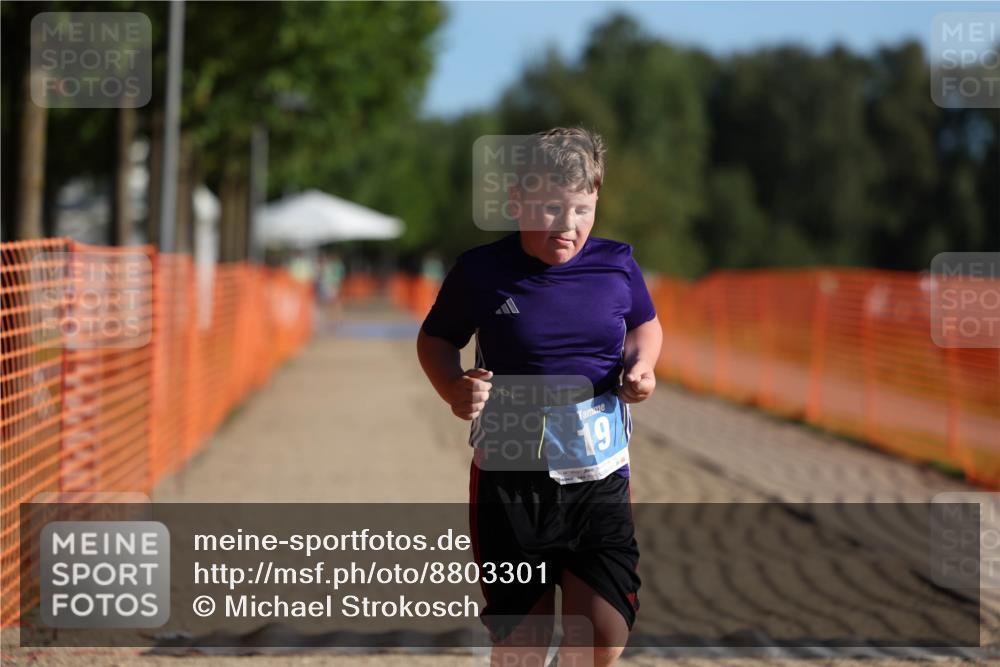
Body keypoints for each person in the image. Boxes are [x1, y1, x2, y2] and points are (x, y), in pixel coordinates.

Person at [416, 127, 662, 667]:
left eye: (583, 209)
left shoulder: (616, 264)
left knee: (601, 636)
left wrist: (641, 366)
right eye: (551, 208)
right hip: (510, 481)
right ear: (517, 201)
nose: (568, 225)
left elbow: (646, 324)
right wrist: (452, 388)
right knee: (523, 648)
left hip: (598, 478)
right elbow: (435, 339)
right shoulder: (482, 271)